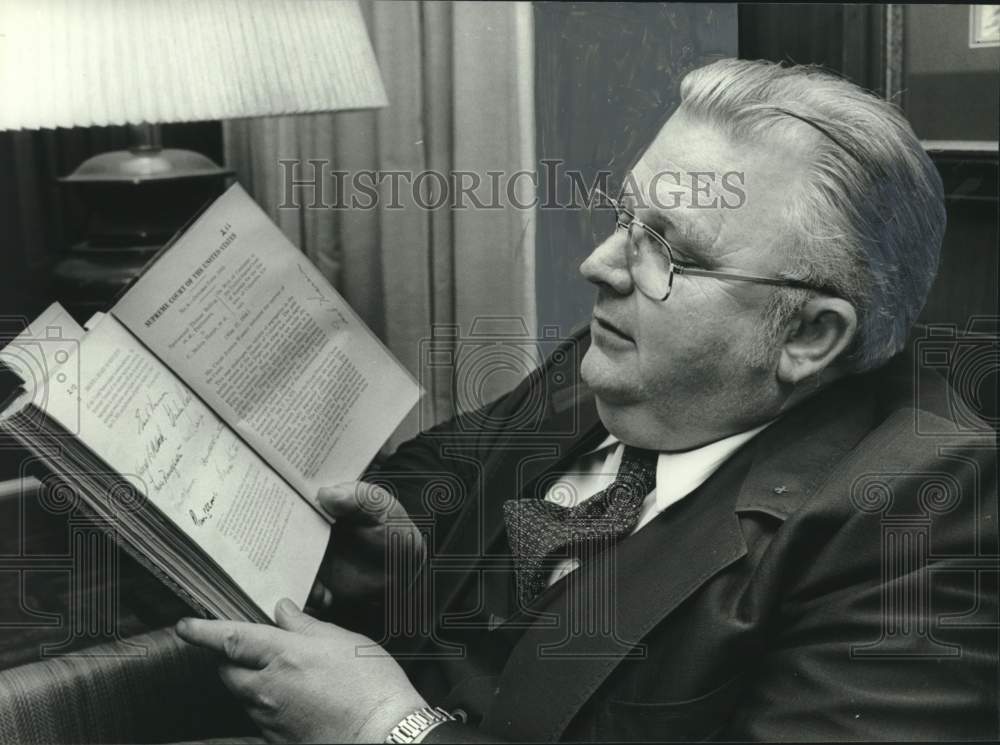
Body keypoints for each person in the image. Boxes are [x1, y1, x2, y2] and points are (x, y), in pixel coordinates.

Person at [176, 59, 998, 742]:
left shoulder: (925, 520)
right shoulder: (621, 356)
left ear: (810, 335)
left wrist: (389, 729)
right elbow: (446, 466)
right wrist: (408, 545)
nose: (600, 265)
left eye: (668, 251)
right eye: (626, 218)